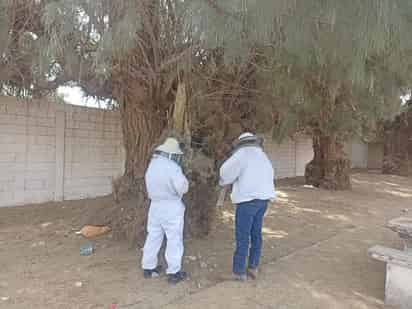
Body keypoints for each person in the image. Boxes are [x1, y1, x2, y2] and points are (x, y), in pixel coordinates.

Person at [219, 132, 276, 281]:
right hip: (263, 201)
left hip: (247, 201)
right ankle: (253, 267)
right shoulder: (263, 156)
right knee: (256, 234)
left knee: (242, 236)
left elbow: (225, 172)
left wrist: (224, 181)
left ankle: (238, 272)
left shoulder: (242, 154)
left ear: (240, 143)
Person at [141, 137, 189, 284]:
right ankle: (174, 272)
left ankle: (148, 267)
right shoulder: (172, 167)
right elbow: (182, 187)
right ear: (172, 153)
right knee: (174, 239)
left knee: (153, 236)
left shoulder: (152, 165)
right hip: (171, 207)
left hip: (155, 206)